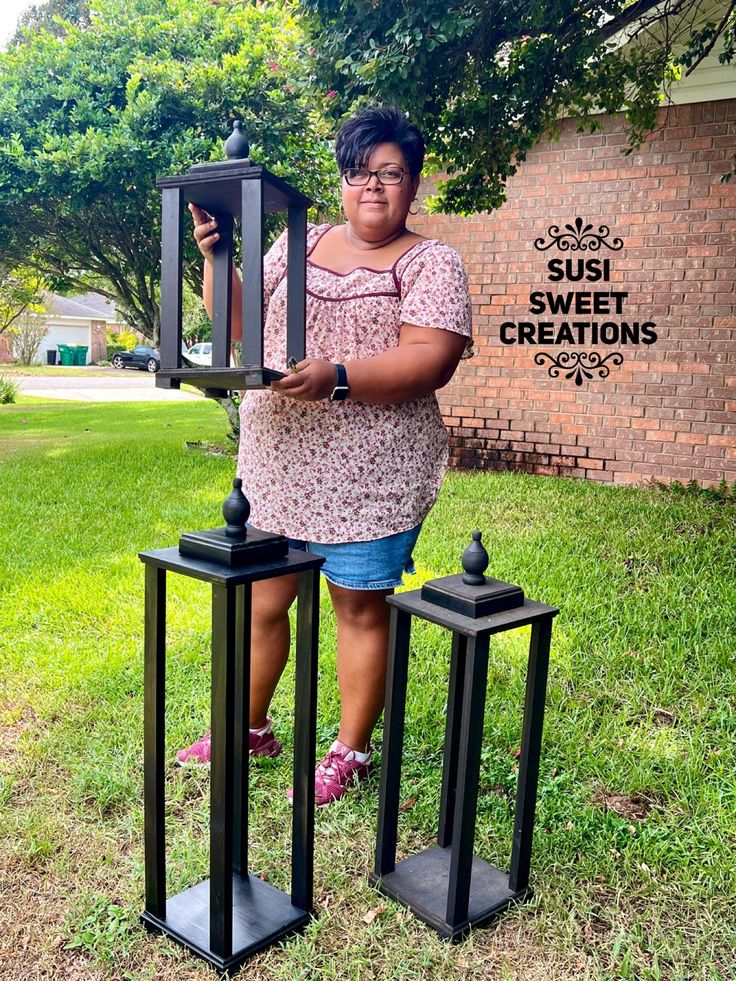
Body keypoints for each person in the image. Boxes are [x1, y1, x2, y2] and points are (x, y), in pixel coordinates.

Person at [176, 105, 473, 806]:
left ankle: (350, 750)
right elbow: (243, 326)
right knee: (262, 600)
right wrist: (219, 258)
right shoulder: (296, 244)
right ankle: (250, 727)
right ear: (341, 181)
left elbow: (431, 358)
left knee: (358, 608)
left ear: (414, 184)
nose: (373, 187)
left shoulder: (432, 261)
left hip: (373, 470)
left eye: (390, 174)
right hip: (279, 459)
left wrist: (337, 375)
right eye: (359, 172)